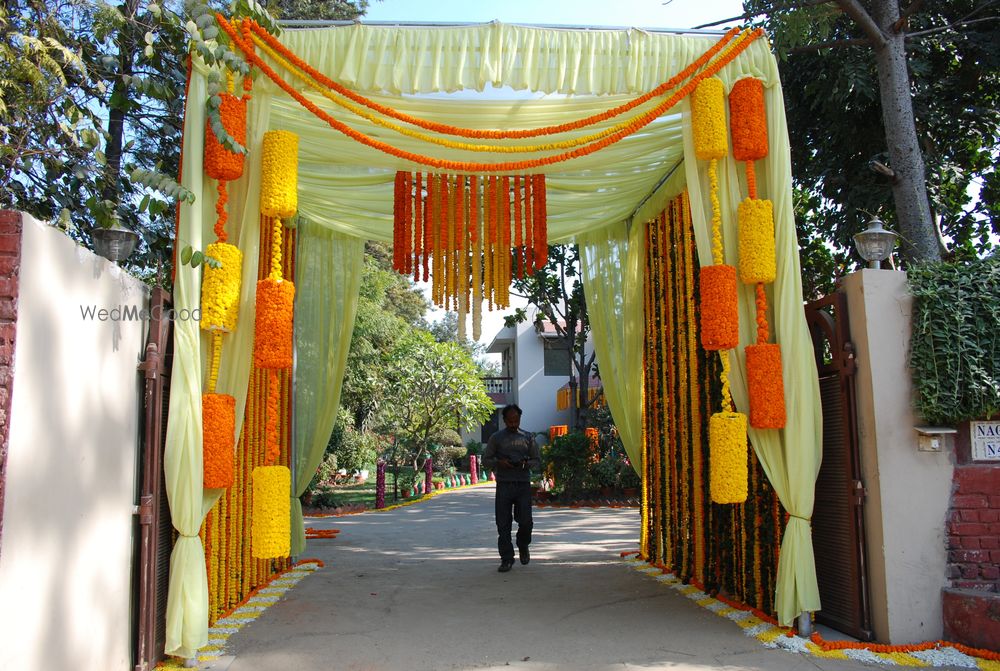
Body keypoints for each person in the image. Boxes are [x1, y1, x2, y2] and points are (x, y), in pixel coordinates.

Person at [482, 404, 540, 573]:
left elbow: (536, 460)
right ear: (504, 420)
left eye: (516, 420)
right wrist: (499, 463)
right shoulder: (496, 438)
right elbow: (486, 460)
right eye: (510, 421)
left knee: (526, 522)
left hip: (523, 484)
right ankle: (506, 559)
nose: (513, 424)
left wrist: (525, 464)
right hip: (504, 484)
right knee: (503, 524)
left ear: (520, 419)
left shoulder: (528, 437)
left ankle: (523, 544)